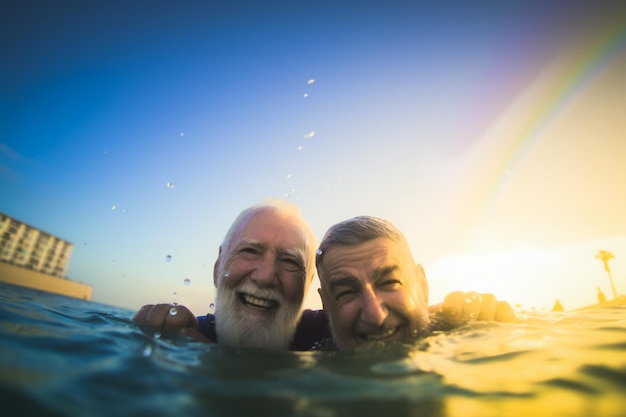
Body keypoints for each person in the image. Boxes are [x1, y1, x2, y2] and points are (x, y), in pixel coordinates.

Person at [134, 199, 329, 350]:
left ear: (308, 284)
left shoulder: (337, 335)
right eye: (250, 251)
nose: (265, 277)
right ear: (218, 266)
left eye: (290, 261)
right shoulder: (184, 337)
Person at [315, 215, 515, 351]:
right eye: (346, 293)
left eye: (390, 282)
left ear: (422, 286)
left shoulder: (464, 335)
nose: (375, 315)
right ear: (326, 306)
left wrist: (496, 333)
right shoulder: (309, 361)